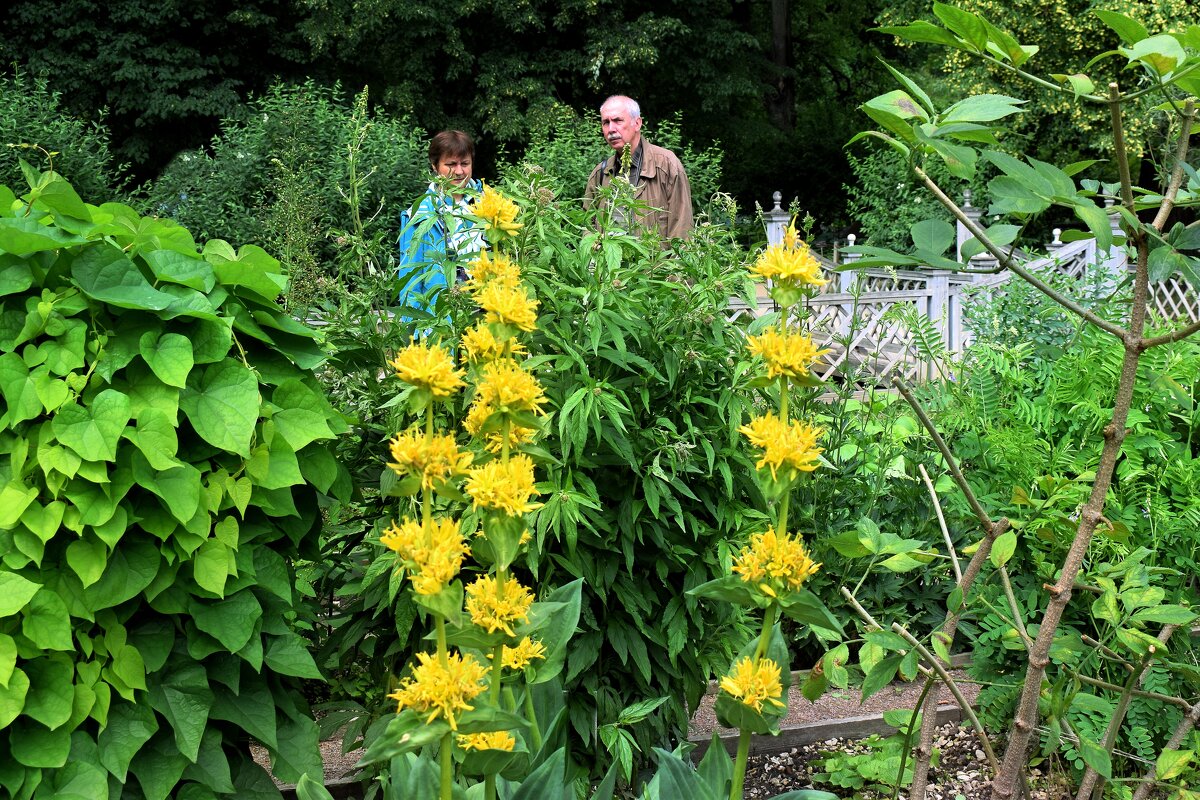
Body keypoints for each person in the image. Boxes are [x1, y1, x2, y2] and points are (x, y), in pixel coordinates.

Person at [583, 95, 693, 240]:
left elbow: (682, 231)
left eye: (617, 120)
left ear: (637, 123)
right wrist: (593, 242)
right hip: (611, 255)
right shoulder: (601, 173)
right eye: (605, 122)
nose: (611, 129)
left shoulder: (667, 165)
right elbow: (587, 225)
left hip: (653, 255)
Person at [397, 130, 485, 312]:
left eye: (465, 163)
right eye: (451, 164)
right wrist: (412, 326)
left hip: (487, 316)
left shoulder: (490, 204)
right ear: (435, 166)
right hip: (440, 319)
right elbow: (410, 282)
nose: (459, 171)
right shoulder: (419, 214)